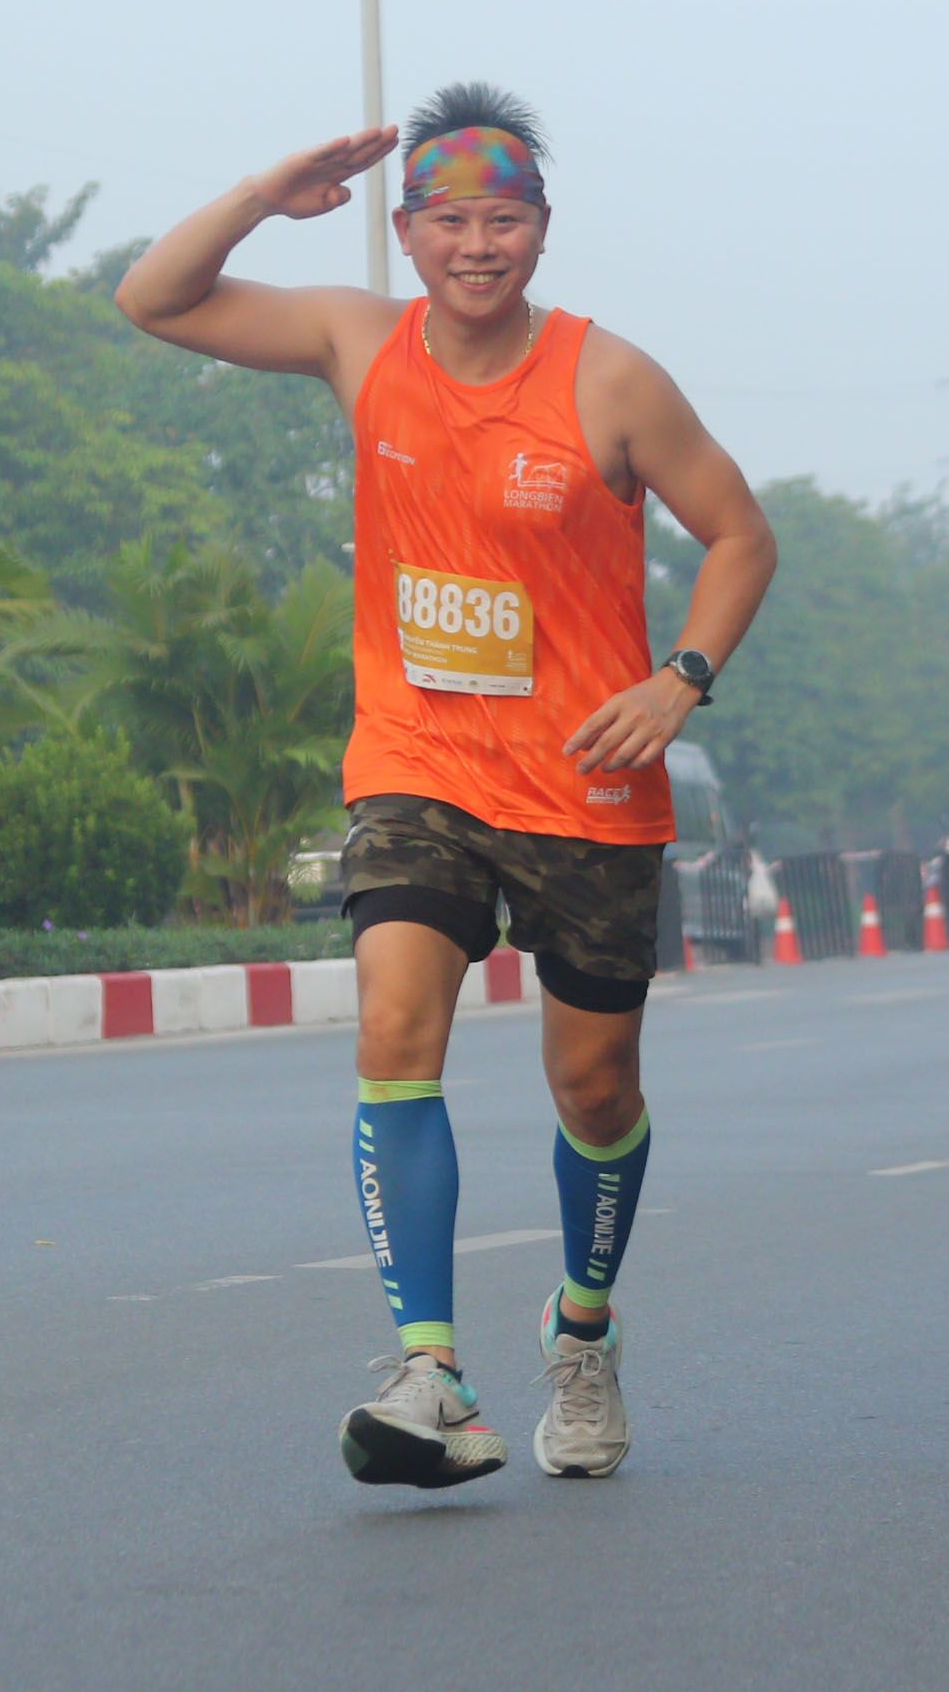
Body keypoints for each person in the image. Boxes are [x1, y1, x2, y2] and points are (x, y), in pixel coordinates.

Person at [114, 84, 777, 1489]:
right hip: (417, 762)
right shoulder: (360, 340)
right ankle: (431, 1373)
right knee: (395, 1022)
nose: (479, 246)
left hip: (586, 782)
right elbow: (153, 299)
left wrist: (680, 679)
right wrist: (267, 192)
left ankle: (582, 1329)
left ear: (543, 228)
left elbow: (740, 535)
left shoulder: (610, 380)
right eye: (451, 220)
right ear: (407, 231)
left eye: (506, 219)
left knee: (593, 1085)